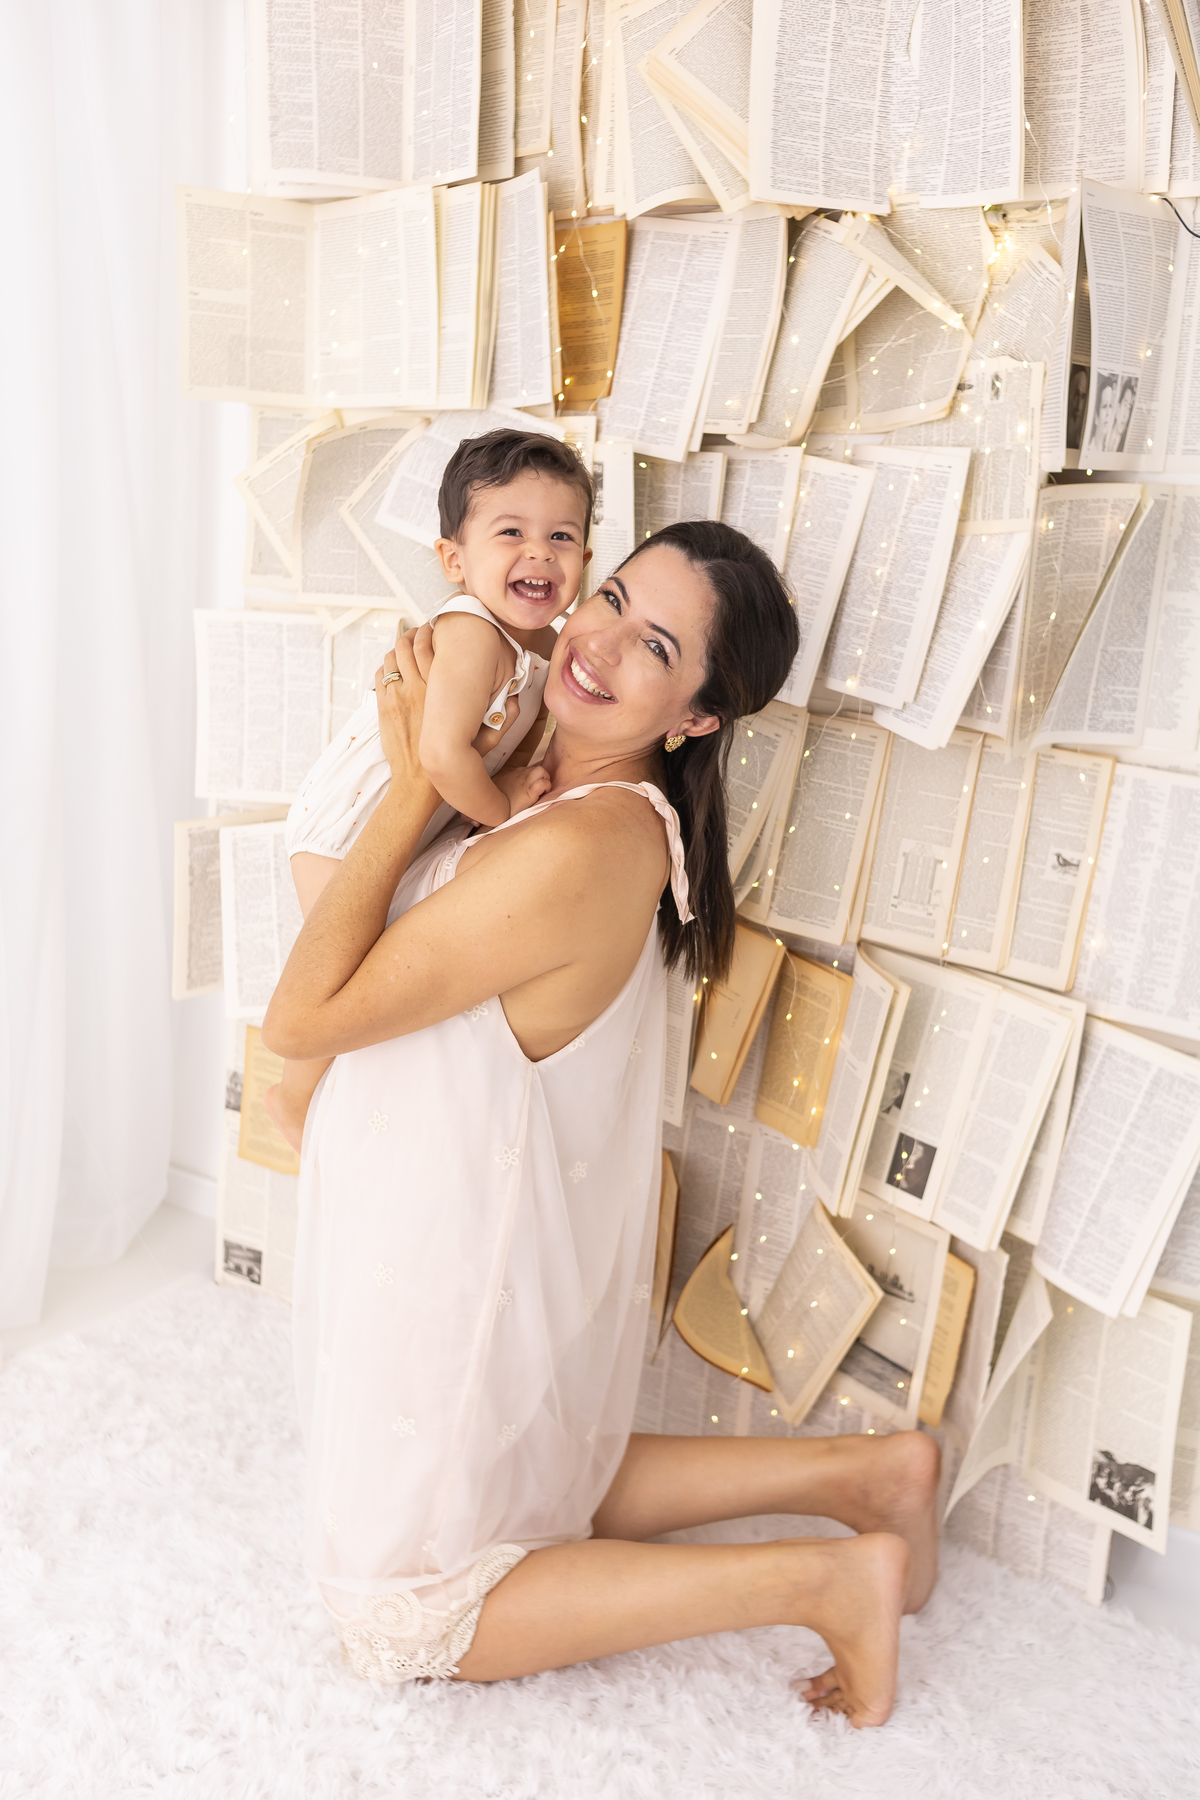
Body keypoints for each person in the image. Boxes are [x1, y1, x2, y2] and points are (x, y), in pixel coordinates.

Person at [262, 520, 940, 1730]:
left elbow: (304, 1014)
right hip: (454, 1226)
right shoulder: (544, 775)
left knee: (404, 1611)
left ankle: (829, 1579)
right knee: (538, 1484)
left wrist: (419, 771)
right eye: (613, 598)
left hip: (462, 1262)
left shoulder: (583, 841)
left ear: (695, 716)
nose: (599, 642)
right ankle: (873, 1476)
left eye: (656, 644)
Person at [266, 427, 593, 1151]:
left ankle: (316, 1100)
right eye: (511, 532)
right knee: (348, 980)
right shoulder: (475, 633)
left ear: (585, 562)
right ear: (455, 559)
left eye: (561, 536)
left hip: (401, 823)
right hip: (347, 825)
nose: (539, 552)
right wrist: (503, 805)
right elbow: (442, 758)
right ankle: (292, 1098)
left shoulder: (541, 648)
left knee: (373, 979)